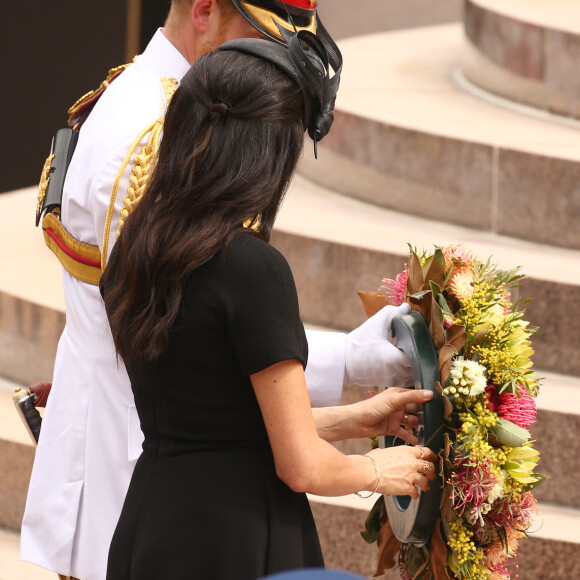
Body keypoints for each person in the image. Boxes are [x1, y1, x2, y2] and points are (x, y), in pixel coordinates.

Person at [22, 2, 413, 580]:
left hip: (154, 480)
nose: (269, 64)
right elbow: (197, 331)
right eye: (259, 41)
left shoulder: (143, 99)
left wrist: (351, 417)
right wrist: (350, 364)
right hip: (144, 467)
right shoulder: (152, 131)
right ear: (206, 9)